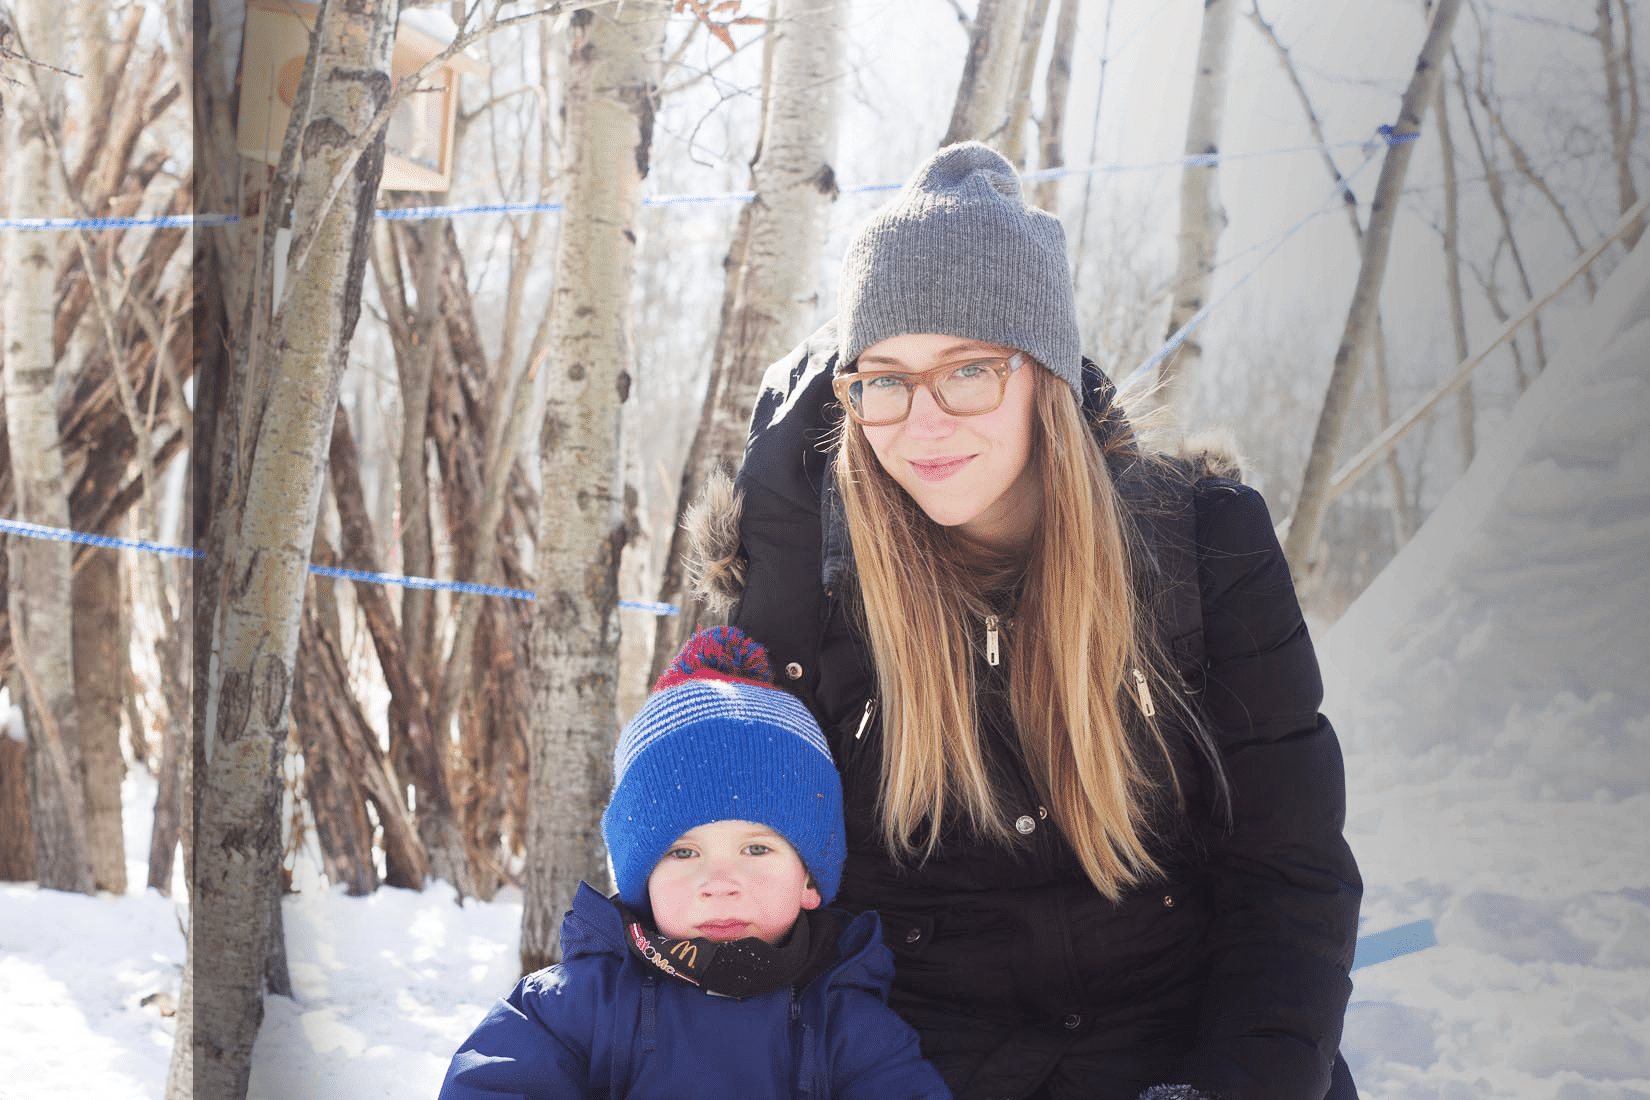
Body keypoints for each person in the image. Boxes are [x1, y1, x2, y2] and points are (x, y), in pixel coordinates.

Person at [690, 142, 1363, 1100]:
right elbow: (716, 873)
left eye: (968, 371)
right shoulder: (812, 590)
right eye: (882, 378)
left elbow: (1288, 872)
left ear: (1043, 374)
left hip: (1188, 1038)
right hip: (910, 1063)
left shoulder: (1205, 549)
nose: (921, 423)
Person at [437, 626, 954, 1100]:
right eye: (683, 852)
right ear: (644, 882)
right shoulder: (573, 1008)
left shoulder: (848, 1024)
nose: (720, 883)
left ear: (809, 880)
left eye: (757, 849)